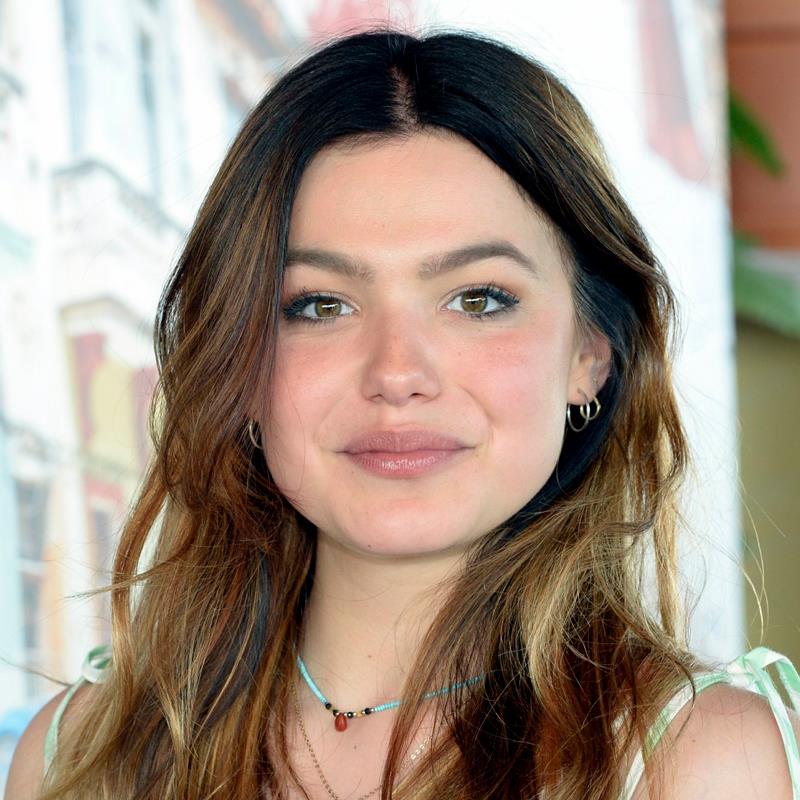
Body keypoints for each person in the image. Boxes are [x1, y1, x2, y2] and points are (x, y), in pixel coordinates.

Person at [6, 26, 800, 800]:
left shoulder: (704, 761)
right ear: (237, 360)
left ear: (590, 353)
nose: (396, 374)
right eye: (319, 305)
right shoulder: (77, 756)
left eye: (478, 299)